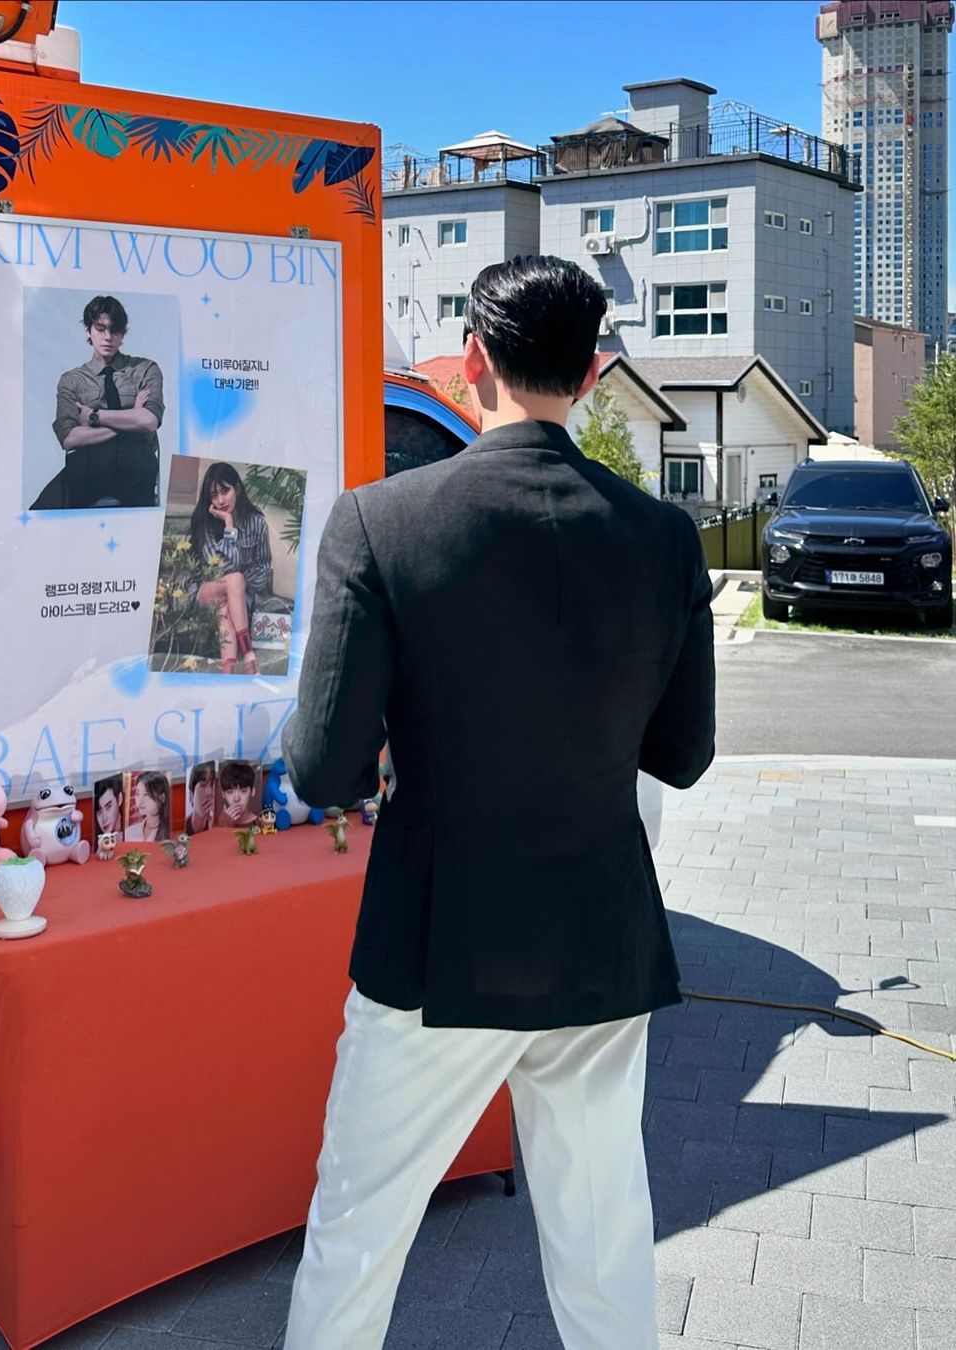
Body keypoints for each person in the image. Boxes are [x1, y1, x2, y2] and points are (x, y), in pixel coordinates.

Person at [280, 255, 716, 1350]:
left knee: (358, 1230)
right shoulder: (663, 536)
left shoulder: (381, 521)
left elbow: (324, 769)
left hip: (436, 946)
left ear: (471, 360)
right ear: (593, 372)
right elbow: (685, 754)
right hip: (598, 940)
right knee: (605, 1237)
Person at [33, 296, 164, 510]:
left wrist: (95, 416)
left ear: (123, 334)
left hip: (136, 463)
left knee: (143, 467)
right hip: (88, 466)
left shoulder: (145, 369)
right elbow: (69, 439)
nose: (108, 337)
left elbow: (149, 421)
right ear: (88, 330)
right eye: (100, 328)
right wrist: (131, 419)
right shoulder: (72, 380)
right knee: (41, 511)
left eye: (115, 330)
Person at [189, 462, 272, 676]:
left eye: (225, 491)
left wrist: (239, 590)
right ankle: (249, 653)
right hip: (205, 591)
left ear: (238, 488)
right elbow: (218, 568)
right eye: (214, 495)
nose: (220, 500)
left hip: (239, 598)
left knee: (225, 610)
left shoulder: (257, 523)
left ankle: (229, 672)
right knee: (234, 579)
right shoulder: (205, 522)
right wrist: (228, 525)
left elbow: (263, 568)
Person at [124, 771, 170, 843]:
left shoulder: (169, 833)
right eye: (137, 794)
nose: (140, 801)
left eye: (146, 795)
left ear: (162, 798)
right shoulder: (129, 832)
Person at [218, 760, 257, 826]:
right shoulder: (218, 821)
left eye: (243, 791)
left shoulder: (261, 823)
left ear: (252, 791)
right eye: (230, 792)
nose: (236, 799)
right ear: (223, 794)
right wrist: (224, 826)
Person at [92, 775, 124, 849]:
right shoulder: (97, 840)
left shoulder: (131, 829)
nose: (104, 819)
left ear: (119, 799)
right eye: (99, 812)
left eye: (108, 807)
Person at [185, 762, 217, 836]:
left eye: (212, 785)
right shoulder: (183, 829)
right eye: (203, 785)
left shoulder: (220, 823)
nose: (209, 793)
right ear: (191, 796)